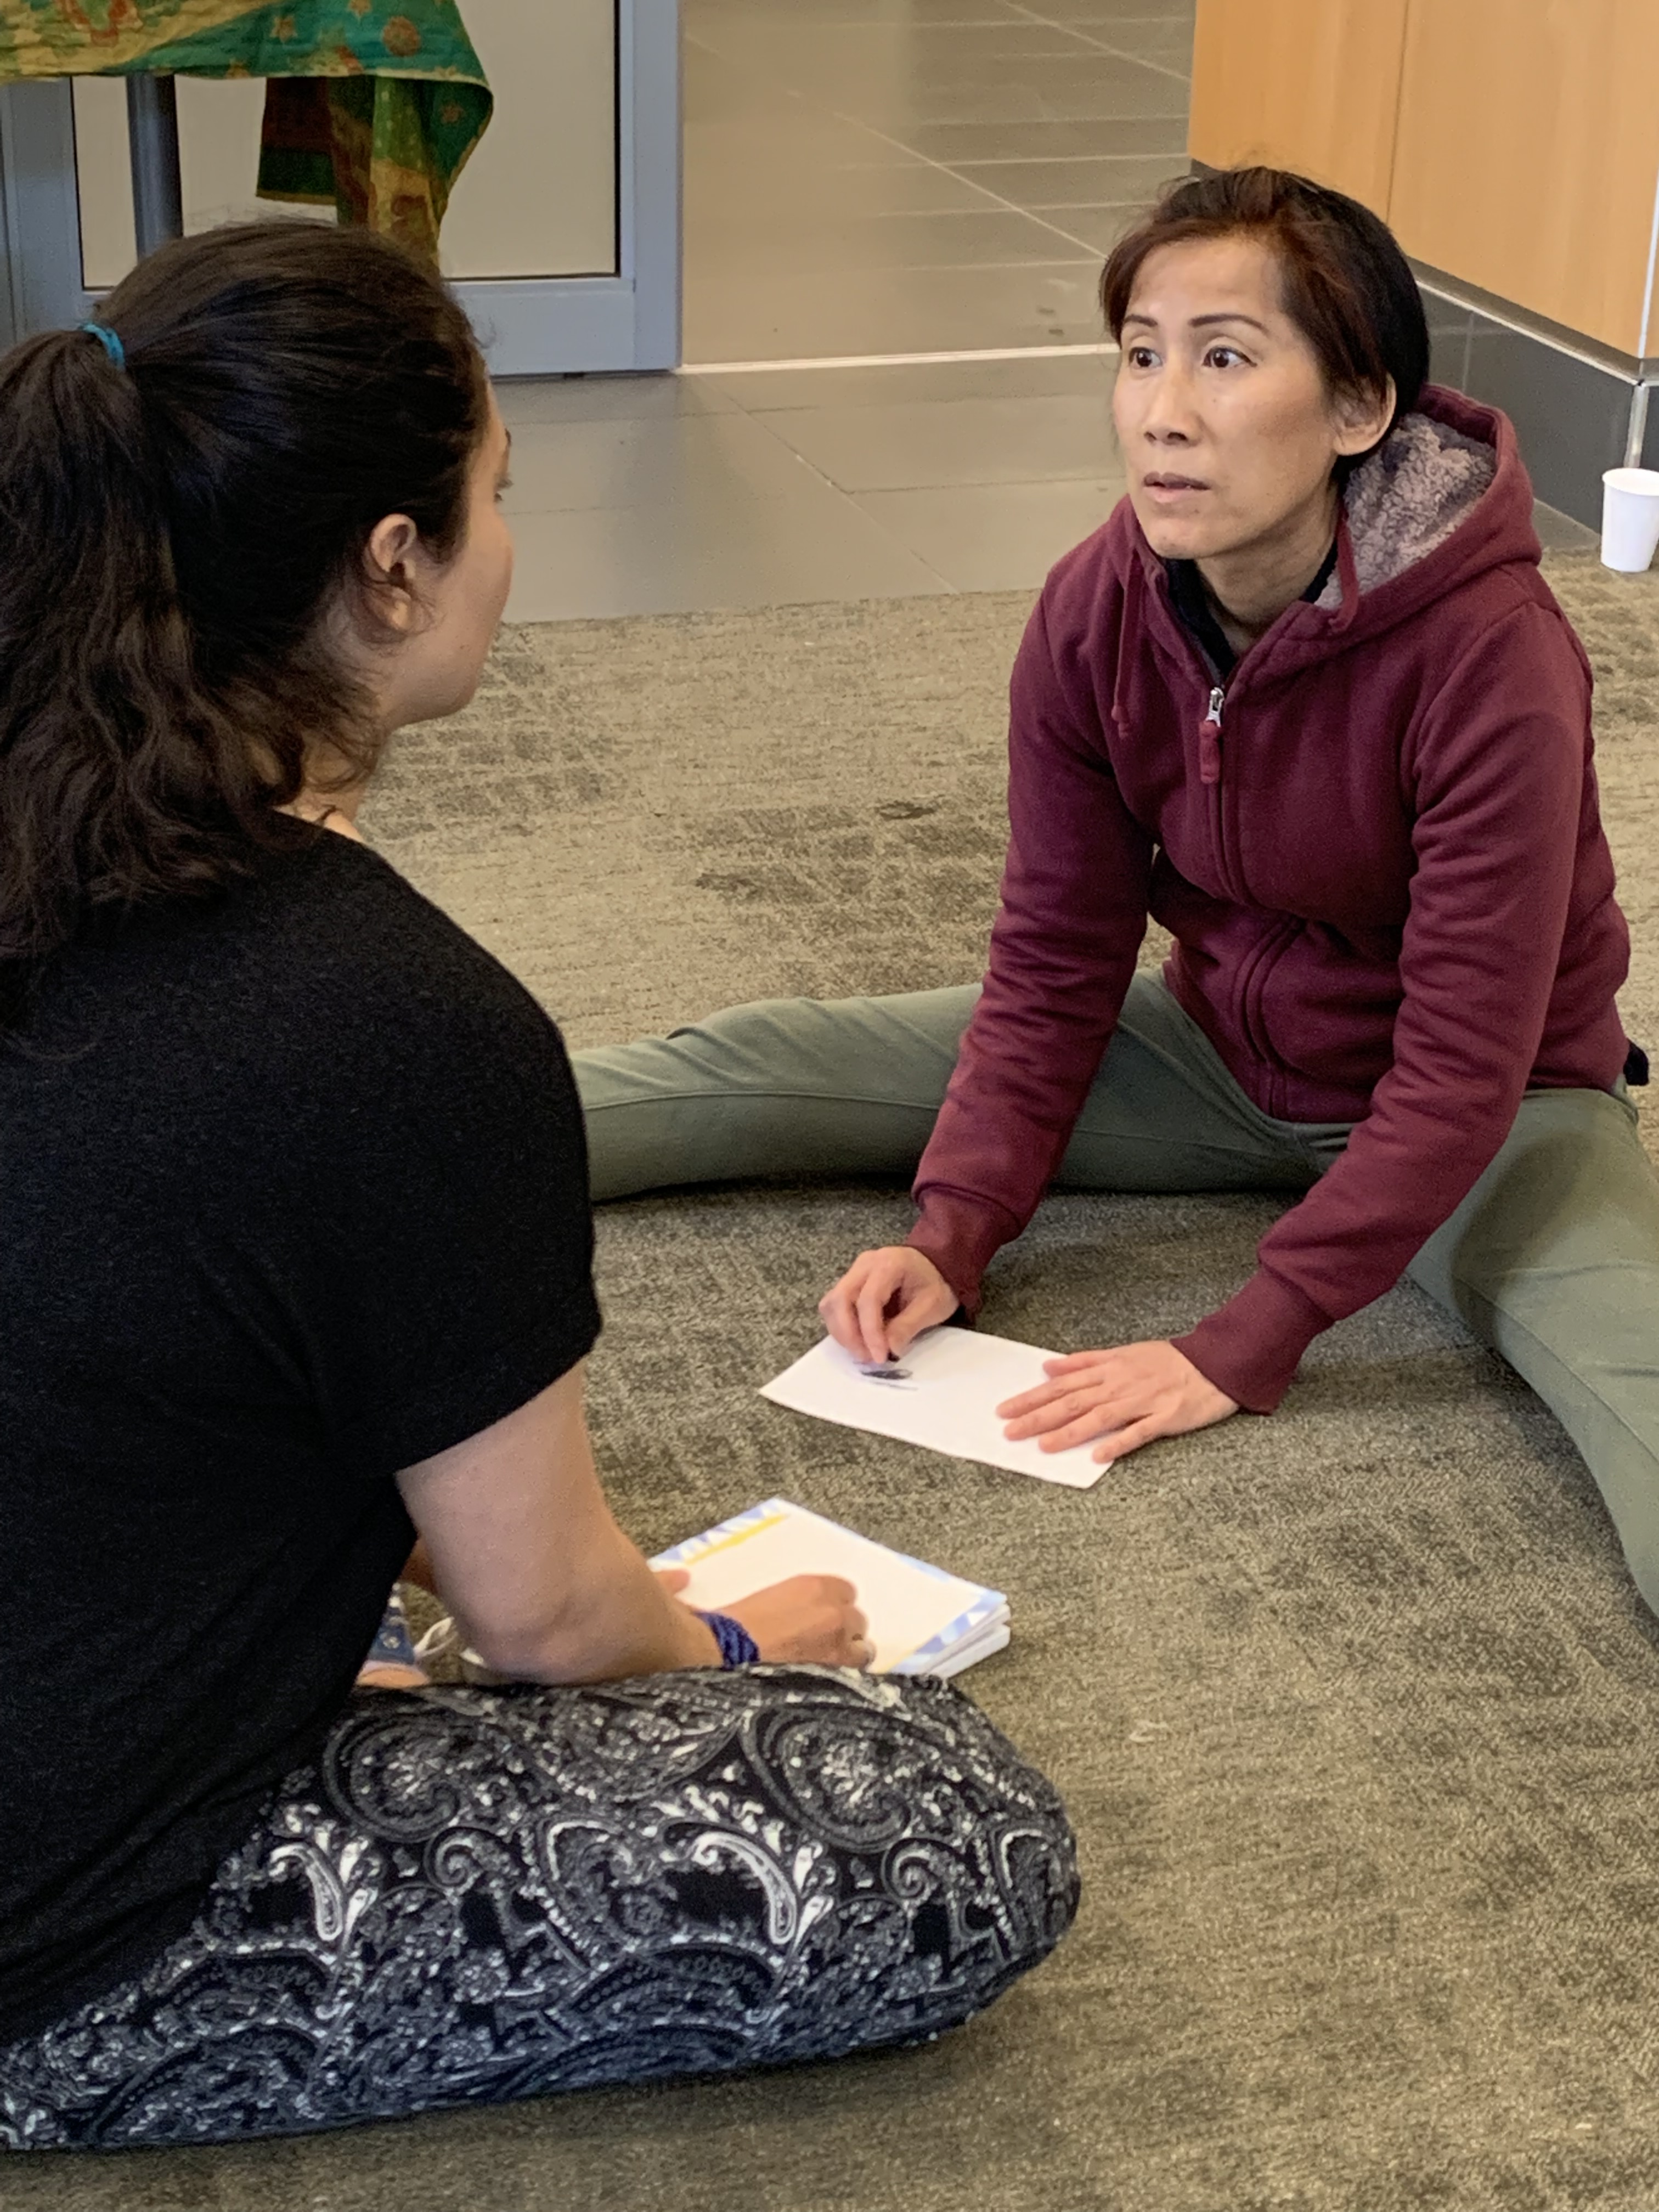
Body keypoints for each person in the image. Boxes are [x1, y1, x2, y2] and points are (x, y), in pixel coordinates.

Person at [0, 224, 1076, 2152]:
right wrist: (727, 1647)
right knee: (947, 1827)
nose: (509, 543)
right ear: (389, 567)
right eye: (497, 496)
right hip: (61, 1937)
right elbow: (549, 1625)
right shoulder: (395, 1024)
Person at [575, 167, 1659, 1611]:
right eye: (1141, 353)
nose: (1163, 411)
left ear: (1358, 408)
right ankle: (393, 1122)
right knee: (764, 1064)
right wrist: (954, 1233)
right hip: (1215, 1054)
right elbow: (1055, 954)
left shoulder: (1493, 654)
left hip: (1502, 1112)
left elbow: (1463, 1064)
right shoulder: (1097, 607)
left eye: (1226, 357)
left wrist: (1242, 1342)